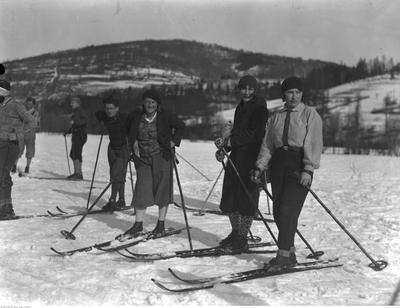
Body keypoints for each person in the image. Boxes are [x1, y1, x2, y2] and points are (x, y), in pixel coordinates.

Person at [252, 76, 323, 267]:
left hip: (299, 166)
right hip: (278, 165)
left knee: (287, 211)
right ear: (284, 94)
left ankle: (282, 256)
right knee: (278, 212)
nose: (294, 96)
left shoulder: (309, 114)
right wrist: (260, 166)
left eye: (298, 92)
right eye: (290, 92)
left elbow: (313, 143)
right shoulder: (276, 116)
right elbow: (268, 144)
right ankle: (290, 252)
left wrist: (308, 169)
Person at [214, 75, 268, 252]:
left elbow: (254, 134)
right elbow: (237, 133)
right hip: (237, 156)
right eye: (243, 88)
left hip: (251, 158)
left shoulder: (260, 108)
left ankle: (242, 238)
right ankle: (235, 233)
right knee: (230, 197)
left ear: (255, 90)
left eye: (250, 89)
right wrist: (225, 147)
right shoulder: (240, 107)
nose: (246, 92)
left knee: (247, 198)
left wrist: (230, 143)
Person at [123, 89, 185, 237]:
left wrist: (173, 141)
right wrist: (134, 142)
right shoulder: (136, 115)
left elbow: (181, 126)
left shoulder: (165, 116)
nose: (150, 105)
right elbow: (127, 128)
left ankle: (160, 224)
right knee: (141, 189)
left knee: (162, 190)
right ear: (143, 103)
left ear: (157, 104)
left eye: (153, 102)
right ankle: (138, 224)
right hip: (143, 158)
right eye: (147, 102)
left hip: (162, 156)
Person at [0, 80, 34, 218]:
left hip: (10, 145)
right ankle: (2, 206)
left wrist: (18, 134)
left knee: (3, 174)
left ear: (3, 91)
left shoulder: (15, 106)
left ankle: (7, 208)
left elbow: (31, 121)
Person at [95, 96, 130, 211]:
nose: (108, 111)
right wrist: (101, 120)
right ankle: (122, 200)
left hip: (123, 148)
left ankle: (112, 200)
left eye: (111, 108)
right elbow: (97, 113)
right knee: (116, 174)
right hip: (112, 148)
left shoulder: (124, 118)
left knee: (116, 175)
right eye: (107, 108)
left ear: (117, 108)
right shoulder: (105, 116)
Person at [13, 97, 40, 174]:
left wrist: (28, 123)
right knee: (18, 150)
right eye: (28, 103)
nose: (29, 105)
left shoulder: (36, 113)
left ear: (34, 104)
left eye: (31, 104)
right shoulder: (22, 111)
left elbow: (37, 124)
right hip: (21, 134)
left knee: (30, 151)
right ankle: (14, 166)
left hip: (30, 134)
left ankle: (27, 167)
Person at [64, 96, 88, 180]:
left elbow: (84, 121)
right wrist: (68, 131)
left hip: (80, 134)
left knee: (76, 153)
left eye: (72, 102)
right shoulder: (76, 111)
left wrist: (75, 121)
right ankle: (77, 173)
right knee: (74, 154)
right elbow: (75, 125)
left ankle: (78, 174)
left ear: (77, 103)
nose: (71, 104)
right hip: (77, 134)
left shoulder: (80, 110)